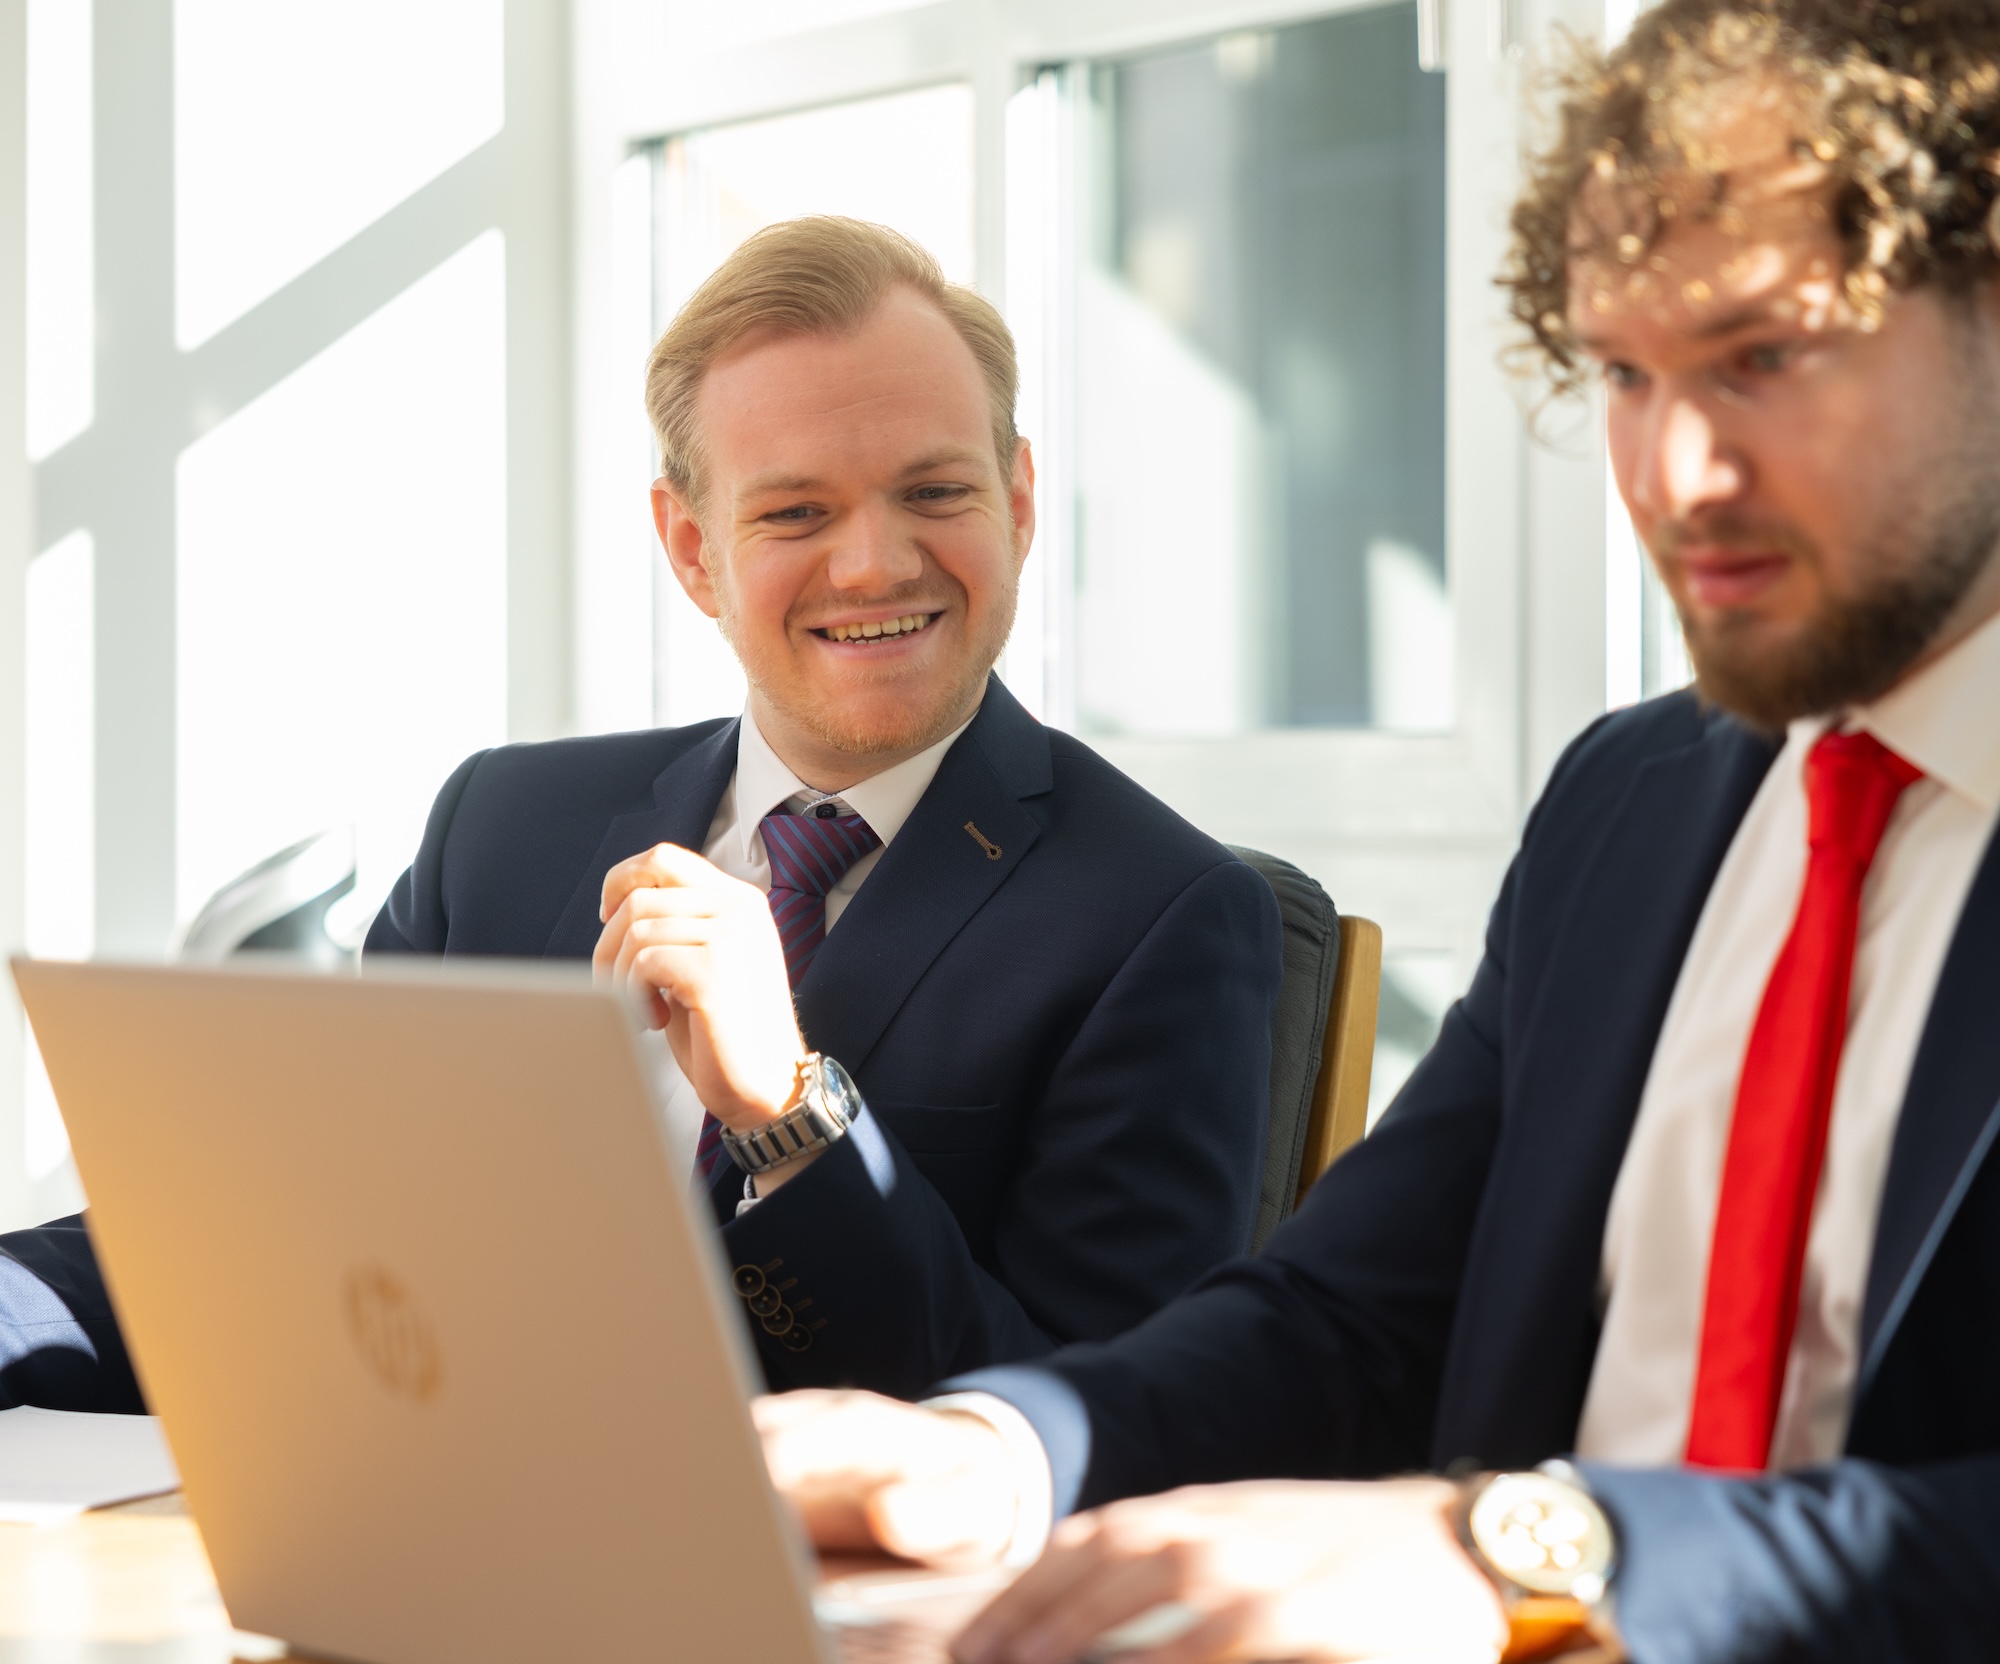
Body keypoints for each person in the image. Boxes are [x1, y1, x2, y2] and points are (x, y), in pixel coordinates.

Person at [748, 4, 2000, 1659]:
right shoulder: (1635, 805)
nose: (1672, 470)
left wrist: (1529, 1549)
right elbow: (1349, 1315)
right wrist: (993, 1450)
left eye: (1763, 357)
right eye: (1623, 371)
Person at [0, 218, 1281, 1409]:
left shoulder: (1162, 918)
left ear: (1016, 502)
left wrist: (785, 1109)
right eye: (793, 511)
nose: (875, 562)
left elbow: (1093, 1425)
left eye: (934, 492)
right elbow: (276, 1225)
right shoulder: (502, 825)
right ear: (689, 548)